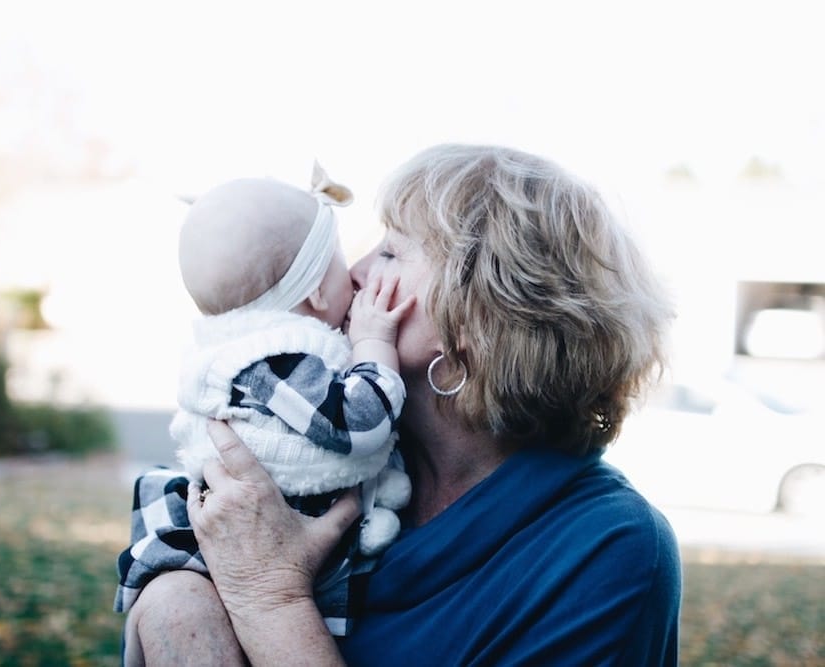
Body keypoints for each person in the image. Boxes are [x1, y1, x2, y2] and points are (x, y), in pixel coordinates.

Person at [121, 143, 681, 666]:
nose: (358, 273)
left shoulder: (607, 551)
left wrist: (270, 599)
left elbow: (254, 589)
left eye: (390, 251)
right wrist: (173, 592)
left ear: (479, 318)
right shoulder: (330, 450)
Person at [114, 163, 415, 645]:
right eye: (341, 261)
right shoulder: (276, 360)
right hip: (247, 546)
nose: (358, 274)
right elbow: (362, 421)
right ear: (317, 290)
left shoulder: (258, 353)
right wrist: (374, 343)